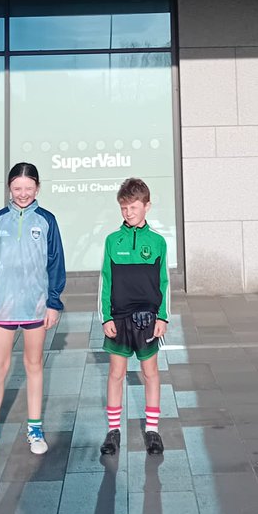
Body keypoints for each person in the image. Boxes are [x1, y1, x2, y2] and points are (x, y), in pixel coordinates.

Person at [0, 162, 66, 461]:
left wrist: (53, 302)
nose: (23, 194)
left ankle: (35, 430)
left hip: (36, 306)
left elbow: (56, 265)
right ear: (9, 189)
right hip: (2, 306)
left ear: (37, 188)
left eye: (28, 188)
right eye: (17, 188)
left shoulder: (47, 220)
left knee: (34, 366)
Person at [99, 177, 170, 457]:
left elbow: (164, 282)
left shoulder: (158, 242)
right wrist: (106, 317)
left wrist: (162, 317)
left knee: (150, 373)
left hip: (147, 319)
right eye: (124, 207)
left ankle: (152, 431)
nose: (128, 212)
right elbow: (105, 281)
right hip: (119, 318)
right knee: (116, 374)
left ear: (147, 206)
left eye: (133, 206)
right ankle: (113, 431)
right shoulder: (112, 241)